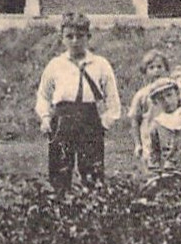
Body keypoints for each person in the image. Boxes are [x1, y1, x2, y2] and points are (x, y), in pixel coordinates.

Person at [35, 12, 123, 190]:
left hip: (89, 120)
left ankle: (91, 209)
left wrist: (103, 124)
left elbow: (113, 100)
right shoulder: (55, 65)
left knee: (92, 173)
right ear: (62, 38)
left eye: (80, 36)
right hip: (61, 121)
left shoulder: (100, 64)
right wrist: (45, 118)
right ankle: (60, 208)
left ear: (88, 37)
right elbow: (43, 96)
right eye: (69, 36)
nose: (75, 41)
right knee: (59, 172)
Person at [126, 49, 172, 165]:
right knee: (152, 168)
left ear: (166, 69)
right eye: (151, 68)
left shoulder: (173, 92)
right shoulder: (142, 95)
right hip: (149, 140)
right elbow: (135, 120)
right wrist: (138, 144)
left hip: (170, 138)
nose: (156, 71)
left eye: (159, 67)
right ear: (145, 72)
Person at [143, 77, 181, 170]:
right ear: (156, 102)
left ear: (177, 94)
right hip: (170, 170)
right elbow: (154, 152)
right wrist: (154, 167)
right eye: (161, 99)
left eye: (169, 95)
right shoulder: (157, 124)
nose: (166, 101)